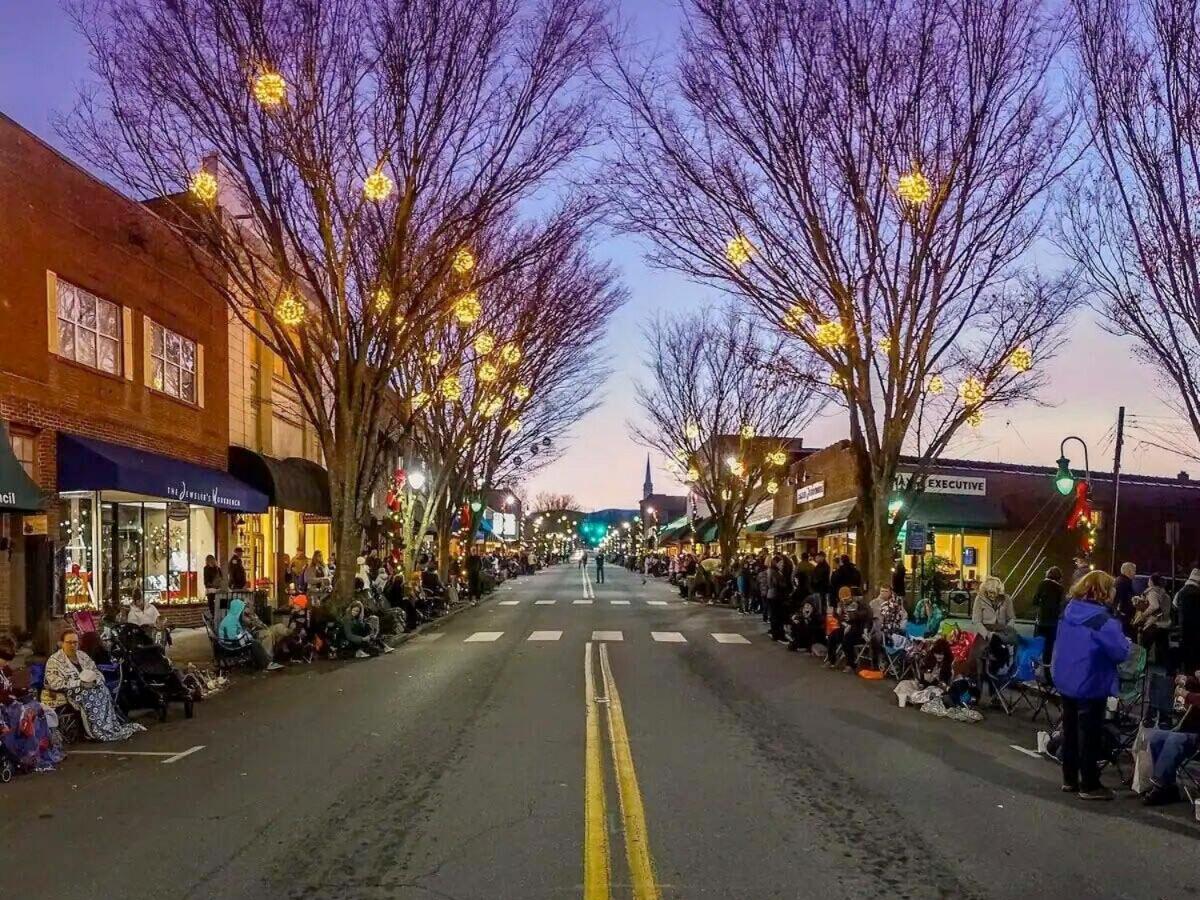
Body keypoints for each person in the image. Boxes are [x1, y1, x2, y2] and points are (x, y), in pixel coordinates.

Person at [1051, 570, 1132, 801]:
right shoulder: (1104, 621)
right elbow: (1119, 652)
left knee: (1070, 730)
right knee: (1089, 734)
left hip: (1066, 678)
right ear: (1105, 591)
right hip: (1091, 680)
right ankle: (1089, 784)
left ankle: (1069, 779)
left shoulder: (1068, 610)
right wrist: (1125, 643)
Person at [44, 630, 146, 741]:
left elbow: (95, 671)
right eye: (69, 642)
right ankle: (96, 730)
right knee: (90, 695)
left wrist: (95, 680)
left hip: (90, 685)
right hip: (70, 690)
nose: (73, 645)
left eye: (75, 642)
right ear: (62, 643)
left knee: (103, 689)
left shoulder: (82, 655)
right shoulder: (54, 660)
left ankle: (108, 727)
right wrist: (79, 683)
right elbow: (54, 683)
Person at [0, 637, 64, 772]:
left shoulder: (5, 670)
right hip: (4, 709)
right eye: (4, 659)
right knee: (27, 714)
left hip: (11, 703)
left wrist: (21, 690)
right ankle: (26, 754)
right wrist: (12, 698)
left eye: (7, 660)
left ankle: (41, 751)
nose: (5, 663)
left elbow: (11, 687)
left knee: (38, 709)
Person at [1140, 671, 1200, 806]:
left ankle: (1160, 786)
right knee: (1157, 737)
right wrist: (1187, 679)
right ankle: (1168, 786)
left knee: (1174, 740)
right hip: (1191, 729)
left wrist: (1187, 695)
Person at [217, 598, 278, 670]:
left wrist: (248, 637)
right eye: (242, 609)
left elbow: (239, 633)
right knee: (254, 643)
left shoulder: (232, 618)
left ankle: (266, 662)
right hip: (230, 644)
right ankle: (266, 664)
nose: (243, 611)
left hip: (230, 642)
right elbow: (235, 636)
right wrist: (248, 638)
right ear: (238, 610)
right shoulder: (231, 621)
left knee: (254, 641)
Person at [826, 587, 871, 672]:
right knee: (832, 636)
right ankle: (831, 660)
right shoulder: (841, 604)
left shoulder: (861, 604)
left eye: (846, 599)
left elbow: (865, 615)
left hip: (858, 630)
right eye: (842, 599)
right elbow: (839, 618)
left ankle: (850, 664)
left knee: (847, 640)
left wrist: (852, 616)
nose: (844, 601)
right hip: (846, 627)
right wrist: (838, 615)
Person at [1132, 573, 1171, 665]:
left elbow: (1154, 606)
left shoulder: (1152, 592)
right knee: (1164, 649)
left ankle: (1140, 668)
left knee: (1144, 648)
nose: (1148, 582)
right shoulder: (1164, 593)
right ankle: (1171, 672)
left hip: (1152, 624)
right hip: (1164, 624)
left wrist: (1143, 615)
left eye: (1149, 580)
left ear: (1152, 582)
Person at [1032, 567, 1066, 666]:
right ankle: (1046, 667)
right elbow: (1061, 604)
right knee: (1049, 646)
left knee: (1037, 643)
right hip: (1053, 621)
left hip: (1041, 619)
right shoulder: (1060, 588)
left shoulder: (1042, 584)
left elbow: (1034, 601)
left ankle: (1033, 667)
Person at [1176, 568, 1200, 673]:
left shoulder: (1181, 592)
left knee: (1186, 657)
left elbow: (1175, 605)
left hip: (1184, 630)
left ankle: (1186, 679)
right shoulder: (1198, 593)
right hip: (1197, 631)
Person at [1114, 561, 1137, 638]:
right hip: (1124, 618)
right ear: (1128, 571)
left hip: (1121, 616)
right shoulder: (1124, 583)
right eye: (1134, 571)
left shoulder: (1119, 580)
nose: (1135, 573)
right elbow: (1124, 600)